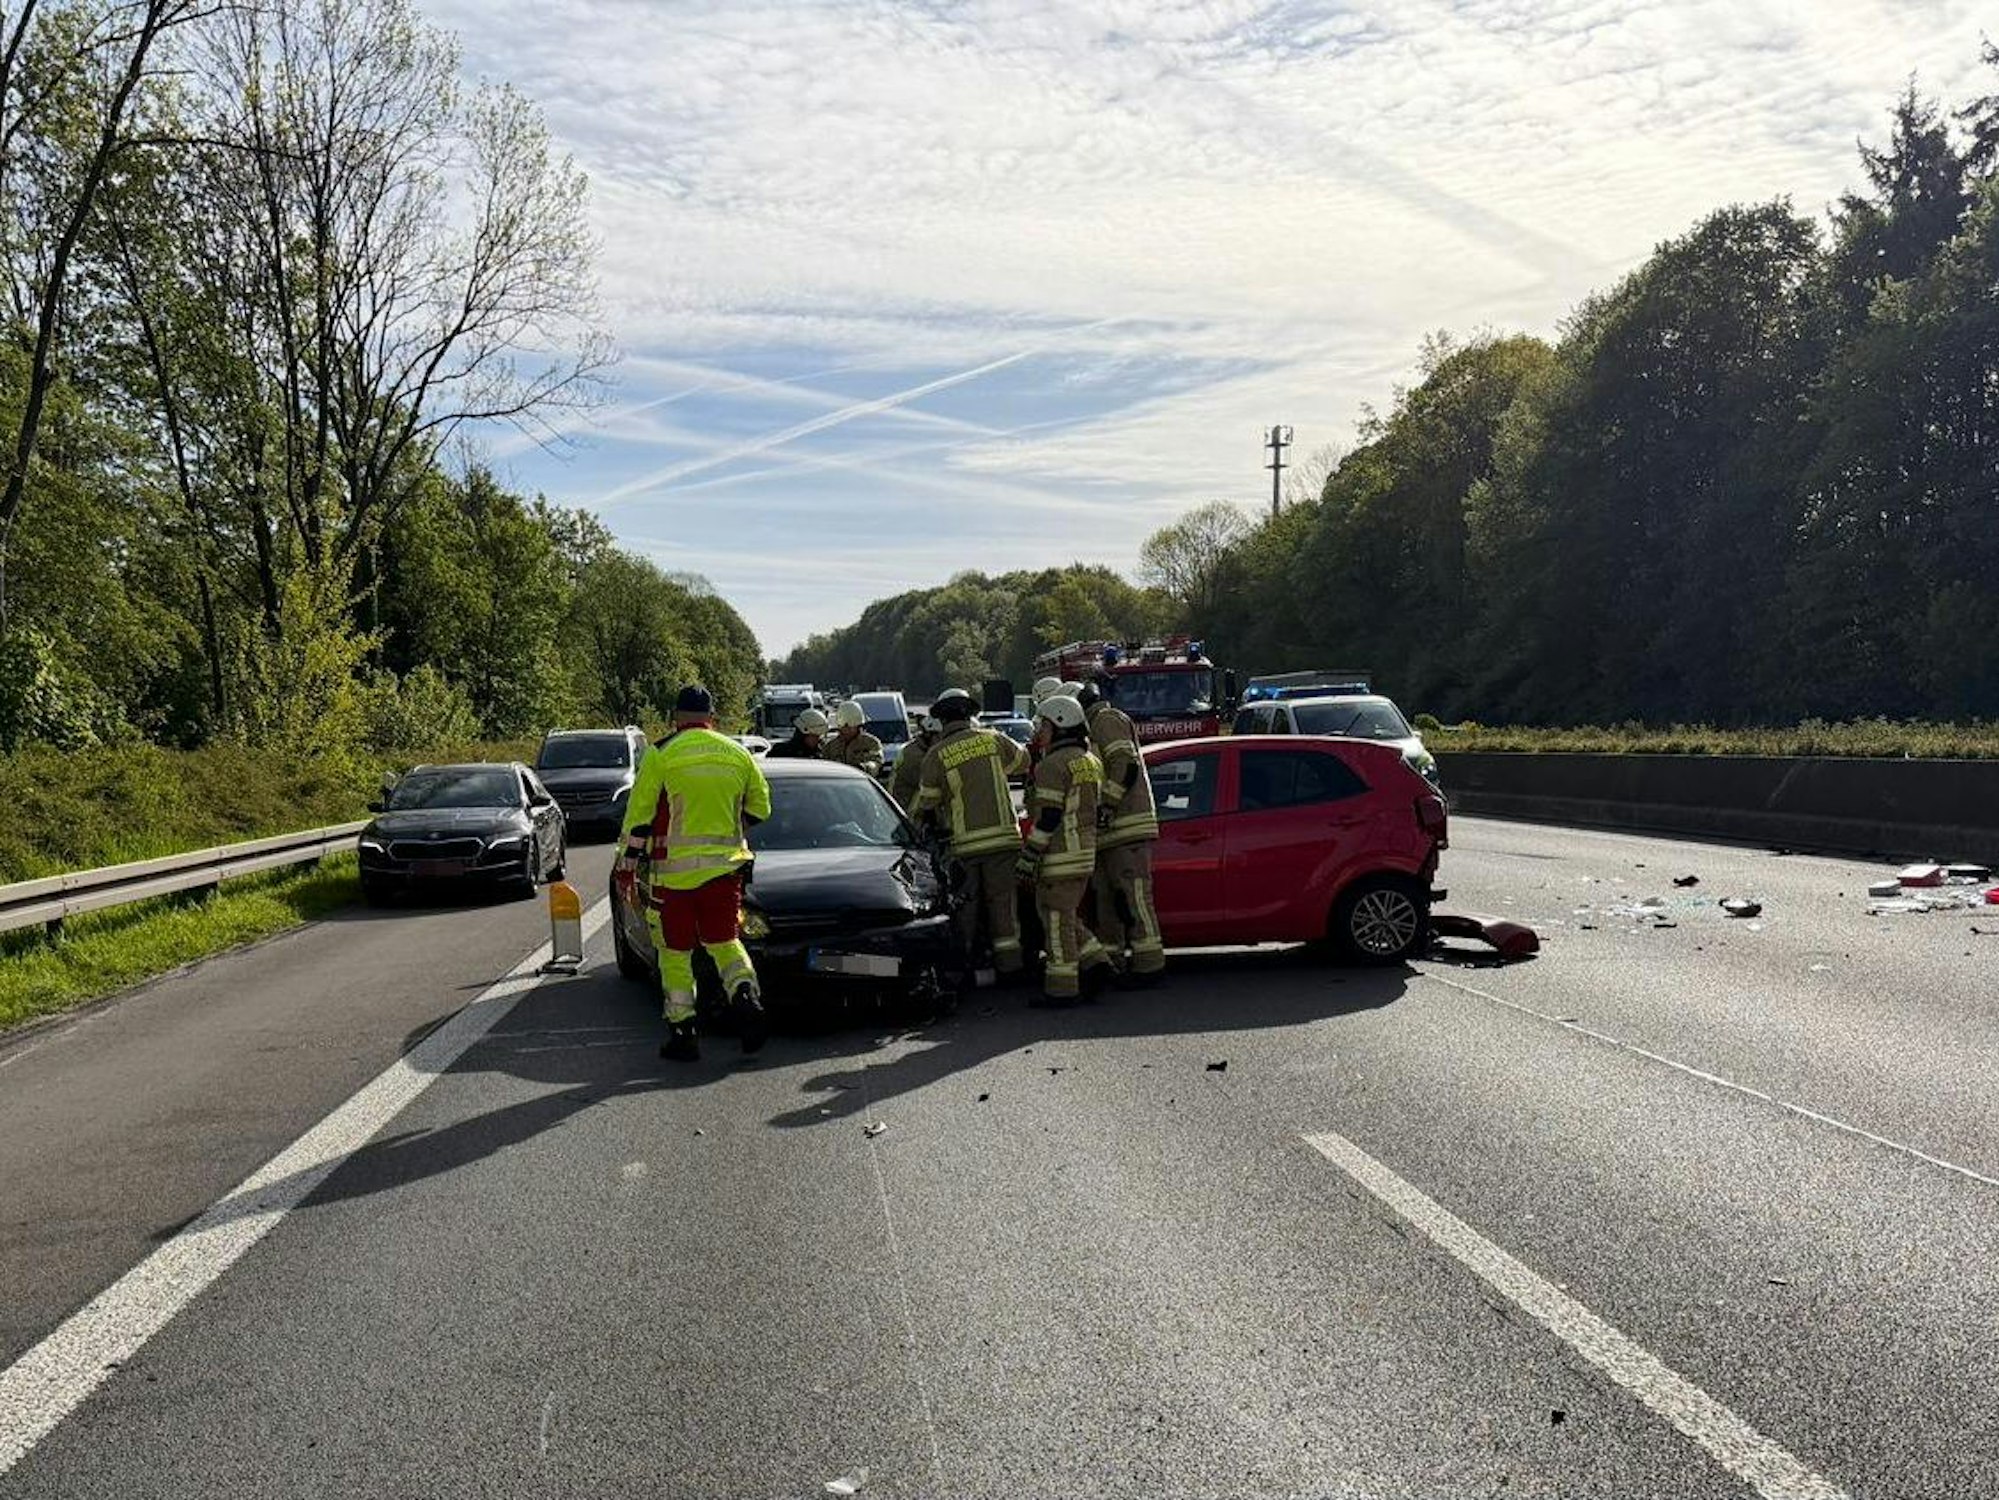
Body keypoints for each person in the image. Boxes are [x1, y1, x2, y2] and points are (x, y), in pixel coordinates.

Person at [616, 685, 773, 1062]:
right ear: (712, 717)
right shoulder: (738, 754)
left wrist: (626, 868)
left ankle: (683, 1033)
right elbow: (762, 807)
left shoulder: (662, 753)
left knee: (675, 954)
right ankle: (746, 995)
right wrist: (732, 829)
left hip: (672, 878)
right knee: (725, 942)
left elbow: (639, 820)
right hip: (724, 872)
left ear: (676, 718)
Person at [912, 687, 1028, 986]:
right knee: (1004, 907)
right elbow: (1023, 762)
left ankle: (964, 972)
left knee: (966, 910)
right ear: (970, 715)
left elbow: (927, 803)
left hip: (965, 847)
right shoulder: (993, 739)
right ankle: (1011, 968)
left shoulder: (936, 755)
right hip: (1004, 842)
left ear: (942, 721)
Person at [1018, 691, 1113, 1006]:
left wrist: (1029, 856)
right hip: (1085, 853)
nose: (1039, 733)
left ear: (1059, 725)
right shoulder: (1091, 761)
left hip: (1060, 855)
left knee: (1057, 922)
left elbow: (1049, 816)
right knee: (1064, 915)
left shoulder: (1052, 765)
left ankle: (1062, 989)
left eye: (1043, 726)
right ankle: (1097, 961)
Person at [1079, 672, 1165, 984]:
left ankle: (1149, 965)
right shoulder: (1093, 725)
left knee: (1134, 897)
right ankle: (1112, 962)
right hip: (1109, 834)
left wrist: (1107, 806)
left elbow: (1125, 764)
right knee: (1108, 901)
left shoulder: (1106, 719)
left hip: (1126, 827)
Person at [890, 712, 940, 809]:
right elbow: (931, 783)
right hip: (907, 812)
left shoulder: (924, 749)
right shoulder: (913, 755)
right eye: (940, 736)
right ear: (928, 735)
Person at [822, 699, 884, 776]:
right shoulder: (830, 747)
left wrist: (864, 768)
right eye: (844, 727)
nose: (847, 730)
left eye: (851, 727)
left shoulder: (871, 743)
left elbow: (876, 763)